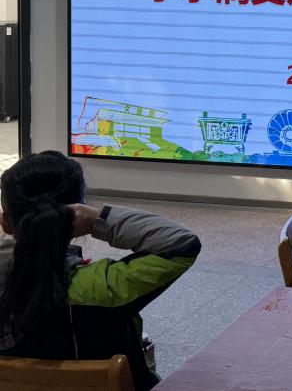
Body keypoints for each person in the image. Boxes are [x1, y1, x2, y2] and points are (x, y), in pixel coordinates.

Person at [0, 151, 201, 390]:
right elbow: (182, 244)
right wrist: (99, 218)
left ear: (6, 222)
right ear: (77, 213)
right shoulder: (103, 287)